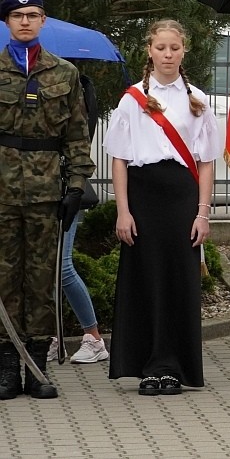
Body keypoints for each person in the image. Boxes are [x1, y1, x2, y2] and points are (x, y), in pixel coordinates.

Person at [106, 19, 217, 395]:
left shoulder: (198, 100)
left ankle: (172, 366)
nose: (167, 54)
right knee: (145, 279)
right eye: (160, 48)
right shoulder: (132, 99)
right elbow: (119, 159)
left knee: (178, 281)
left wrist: (203, 213)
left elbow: (206, 162)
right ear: (149, 51)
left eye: (174, 48)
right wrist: (123, 210)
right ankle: (146, 366)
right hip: (143, 196)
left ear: (184, 51)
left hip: (181, 198)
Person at [0, 0, 94, 400]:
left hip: (45, 193)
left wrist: (76, 185)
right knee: (5, 280)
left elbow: (77, 134)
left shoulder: (64, 74)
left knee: (41, 281)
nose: (25, 21)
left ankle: (36, 369)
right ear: (7, 22)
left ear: (43, 21)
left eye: (32, 14)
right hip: (1, 191)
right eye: (17, 15)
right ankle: (6, 369)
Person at [53, 72, 108, 365]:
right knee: (40, 268)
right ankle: (52, 337)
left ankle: (94, 337)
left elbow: (78, 141)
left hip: (65, 189)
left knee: (61, 267)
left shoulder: (77, 86)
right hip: (32, 190)